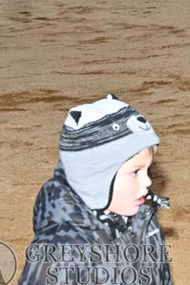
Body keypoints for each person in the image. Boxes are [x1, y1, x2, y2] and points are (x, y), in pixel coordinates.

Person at [19, 95, 172, 285]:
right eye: (135, 172)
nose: (147, 181)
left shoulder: (145, 222)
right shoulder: (59, 252)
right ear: (97, 179)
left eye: (147, 169)